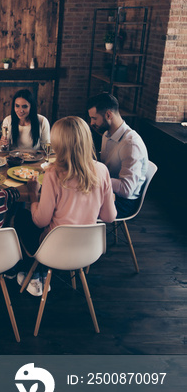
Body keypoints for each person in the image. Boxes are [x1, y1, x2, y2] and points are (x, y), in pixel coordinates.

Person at [17, 116, 117, 297]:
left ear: (59, 144)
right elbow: (110, 217)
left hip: (54, 250)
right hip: (88, 250)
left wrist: (33, 195)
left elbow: (41, 221)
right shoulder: (102, 170)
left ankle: (31, 272)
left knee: (21, 217)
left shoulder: (53, 173)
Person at [87, 92, 148, 217]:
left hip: (124, 203)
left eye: (94, 118)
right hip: (107, 192)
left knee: (73, 204)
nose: (91, 123)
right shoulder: (106, 135)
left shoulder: (131, 144)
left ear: (108, 115)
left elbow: (126, 190)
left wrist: (94, 179)